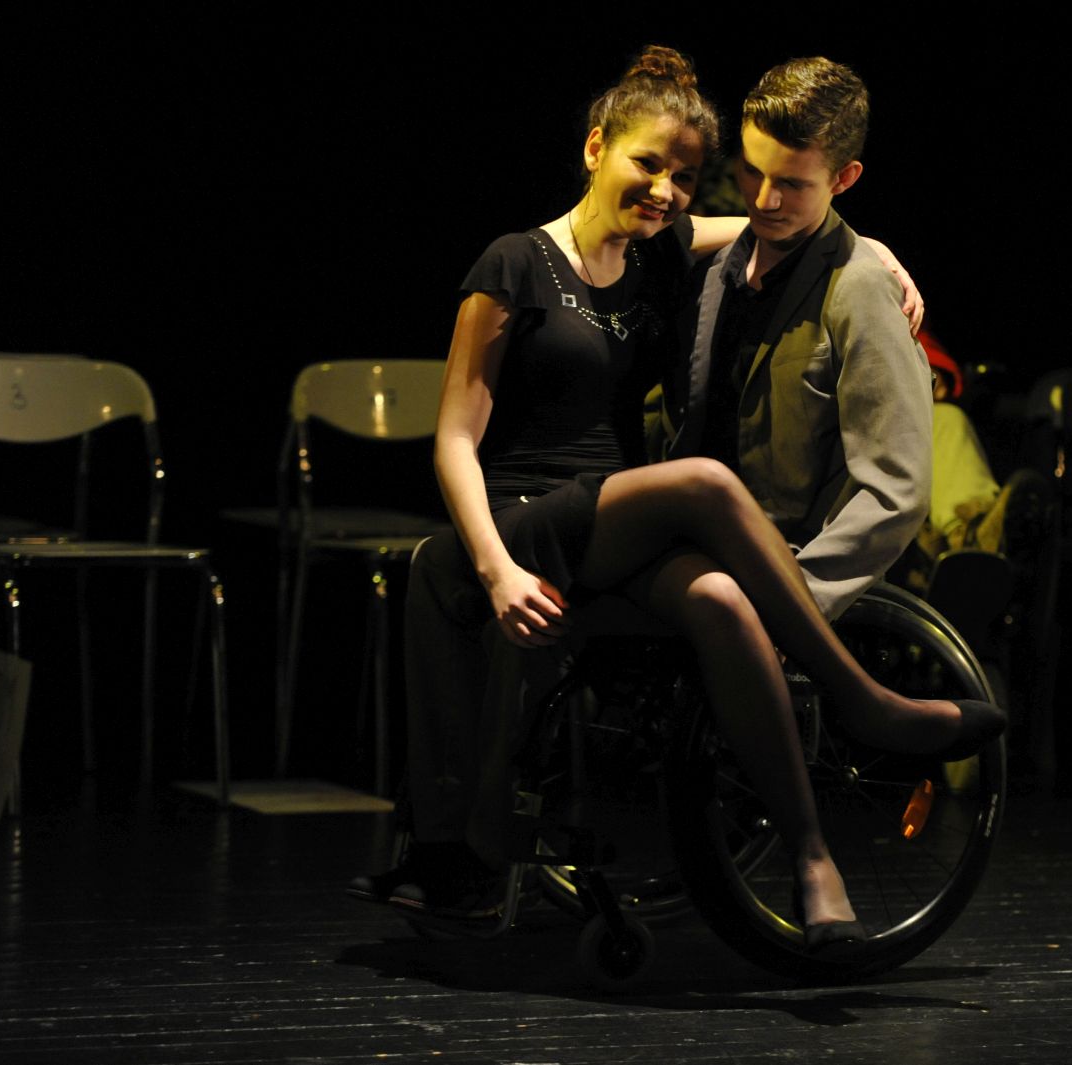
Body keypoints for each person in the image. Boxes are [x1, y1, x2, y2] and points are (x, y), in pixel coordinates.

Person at [351, 47, 1002, 947]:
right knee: (705, 482)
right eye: (648, 164)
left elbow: (784, 229)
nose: (668, 190)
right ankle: (862, 697)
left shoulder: (661, 253)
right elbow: (455, 438)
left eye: (685, 177)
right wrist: (496, 568)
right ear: (594, 147)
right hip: (525, 518)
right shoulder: (516, 262)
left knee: (721, 597)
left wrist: (874, 250)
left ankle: (813, 857)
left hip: (619, 519)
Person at [658, 57, 935, 620]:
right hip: (695, 565)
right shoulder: (715, 274)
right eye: (752, 171)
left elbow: (895, 491)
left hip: (787, 582)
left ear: (844, 179)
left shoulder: (859, 288)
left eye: (791, 183)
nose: (764, 199)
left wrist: (796, 602)